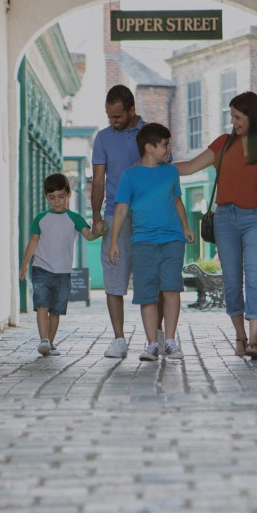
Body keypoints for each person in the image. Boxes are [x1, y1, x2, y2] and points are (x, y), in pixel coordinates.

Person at [174, 92, 257, 360]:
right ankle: (240, 335)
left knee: (256, 277)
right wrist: (156, 163)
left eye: (238, 117)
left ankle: (255, 341)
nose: (233, 122)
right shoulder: (223, 144)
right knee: (233, 282)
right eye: (232, 117)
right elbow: (190, 167)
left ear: (253, 117)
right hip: (225, 219)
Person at [91, 85, 167, 359]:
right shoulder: (102, 138)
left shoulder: (151, 134)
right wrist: (97, 216)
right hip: (115, 214)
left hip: (149, 214)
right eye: (109, 116)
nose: (113, 121)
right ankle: (119, 339)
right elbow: (98, 180)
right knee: (113, 275)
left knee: (154, 276)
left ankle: (156, 337)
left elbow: (165, 169)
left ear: (132, 110)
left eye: (118, 117)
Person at [108, 123, 194, 361]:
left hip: (172, 239)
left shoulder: (171, 172)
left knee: (171, 288)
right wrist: (114, 241)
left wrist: (186, 227)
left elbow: (177, 201)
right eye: (165, 144)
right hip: (143, 241)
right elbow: (122, 208)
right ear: (149, 147)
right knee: (147, 293)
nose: (169, 149)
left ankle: (170, 340)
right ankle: (152, 344)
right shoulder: (130, 176)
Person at [19, 173, 103, 356]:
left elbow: (89, 235)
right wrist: (24, 265)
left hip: (63, 272)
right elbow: (33, 241)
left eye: (61, 196)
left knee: (55, 310)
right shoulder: (41, 218)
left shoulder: (75, 218)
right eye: (52, 198)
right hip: (41, 268)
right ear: (46, 197)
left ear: (68, 194)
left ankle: (51, 342)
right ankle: (44, 341)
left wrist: (100, 232)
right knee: (42, 306)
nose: (56, 202)